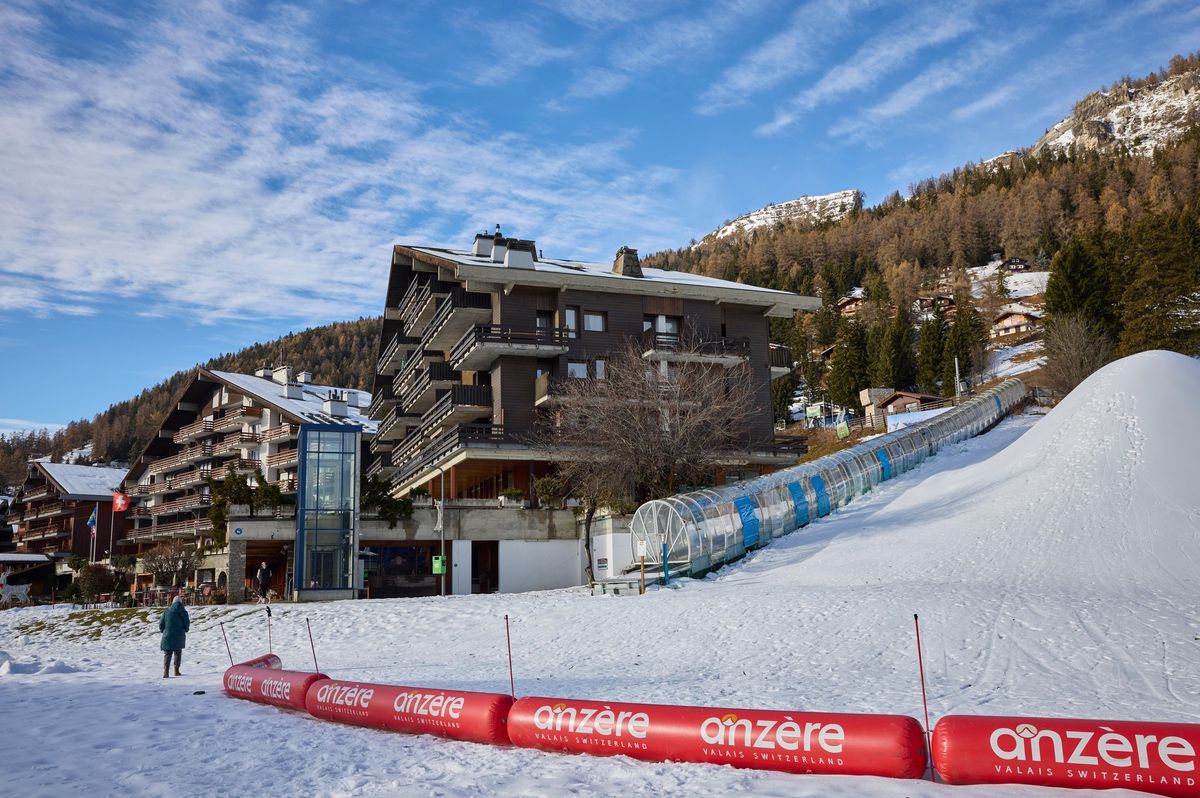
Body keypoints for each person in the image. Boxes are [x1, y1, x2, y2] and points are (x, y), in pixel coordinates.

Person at [159, 594, 190, 678]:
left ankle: (166, 671)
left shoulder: (166, 611)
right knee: (177, 652)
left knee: (167, 653)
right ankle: (176, 671)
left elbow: (161, 623)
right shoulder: (183, 612)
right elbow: (186, 623)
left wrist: (163, 630)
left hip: (167, 635)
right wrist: (186, 629)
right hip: (179, 635)